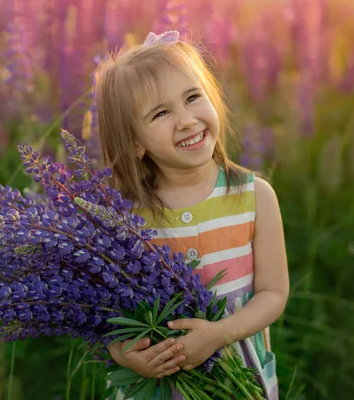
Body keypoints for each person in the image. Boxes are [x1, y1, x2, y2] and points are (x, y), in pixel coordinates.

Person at [96, 30, 289, 400]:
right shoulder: (126, 216)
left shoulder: (254, 196)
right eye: (161, 113)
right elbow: (105, 312)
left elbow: (274, 293)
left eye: (193, 97)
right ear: (136, 143)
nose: (186, 120)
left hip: (238, 382)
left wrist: (220, 334)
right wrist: (124, 353)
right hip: (155, 388)